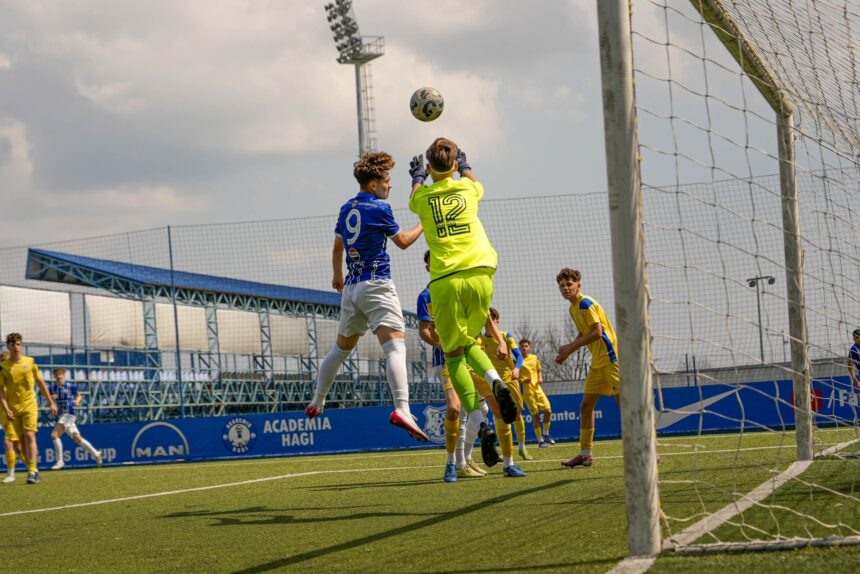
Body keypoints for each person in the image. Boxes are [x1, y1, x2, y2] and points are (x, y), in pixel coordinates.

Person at [409, 137, 523, 478]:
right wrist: (465, 165)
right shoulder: (469, 189)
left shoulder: (423, 196)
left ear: (430, 169)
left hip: (446, 280)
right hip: (482, 273)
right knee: (471, 342)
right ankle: (495, 382)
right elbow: (473, 181)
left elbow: (415, 192)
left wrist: (417, 176)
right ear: (455, 165)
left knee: (455, 354)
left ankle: (480, 418)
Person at [305, 151, 428, 442]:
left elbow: (337, 249)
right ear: (373, 184)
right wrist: (424, 221)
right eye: (387, 181)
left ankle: (317, 401)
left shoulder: (346, 208)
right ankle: (403, 409)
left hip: (351, 288)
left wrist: (337, 276)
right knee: (396, 349)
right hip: (377, 285)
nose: (390, 186)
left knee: (340, 349)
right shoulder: (380, 208)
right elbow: (404, 242)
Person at [554, 269, 619, 468]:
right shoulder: (573, 308)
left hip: (611, 359)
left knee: (626, 406)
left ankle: (649, 449)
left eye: (569, 285)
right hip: (598, 363)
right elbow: (584, 332)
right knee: (586, 406)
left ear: (578, 286)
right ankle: (585, 454)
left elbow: (597, 333)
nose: (565, 289)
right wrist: (567, 352)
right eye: (562, 286)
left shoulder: (585, 303)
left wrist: (571, 347)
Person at [477, 307, 532, 468]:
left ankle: (522, 447)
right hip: (493, 382)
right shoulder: (479, 339)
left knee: (517, 414)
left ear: (497, 321)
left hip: (510, 379)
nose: (489, 321)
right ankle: (507, 453)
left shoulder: (505, 336)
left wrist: (516, 369)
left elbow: (519, 356)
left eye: (492, 318)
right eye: (487, 318)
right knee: (499, 416)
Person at [0, 333, 58, 484]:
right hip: (13, 408)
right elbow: (0, 390)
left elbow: (40, 382)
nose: (16, 347)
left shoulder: (30, 362)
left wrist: (51, 402)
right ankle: (33, 468)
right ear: (8, 346)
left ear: (22, 345)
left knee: (30, 436)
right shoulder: (3, 367)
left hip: (29, 405)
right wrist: (6, 408)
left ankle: (32, 471)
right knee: (20, 443)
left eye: (18, 344)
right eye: (13, 345)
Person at [50, 368, 103, 470]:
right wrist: (52, 404)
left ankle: (60, 461)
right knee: (77, 438)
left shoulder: (70, 386)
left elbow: (79, 396)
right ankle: (96, 454)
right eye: (56, 375)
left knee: (54, 435)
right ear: (54, 376)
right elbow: (50, 400)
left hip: (69, 413)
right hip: (62, 415)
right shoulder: (53, 388)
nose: (58, 376)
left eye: (60, 374)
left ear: (63, 375)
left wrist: (77, 401)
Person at [519, 338, 555, 447]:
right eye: (522, 346)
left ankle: (545, 434)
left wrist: (540, 378)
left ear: (529, 347)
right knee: (536, 415)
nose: (524, 348)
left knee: (548, 410)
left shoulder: (534, 358)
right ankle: (540, 441)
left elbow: (538, 370)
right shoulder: (517, 360)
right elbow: (512, 376)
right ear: (519, 348)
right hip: (528, 392)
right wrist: (523, 380)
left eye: (526, 346)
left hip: (538, 389)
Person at [0, 350, 28, 484]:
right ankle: (31, 467)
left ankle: (10, 474)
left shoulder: (10, 379)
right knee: (17, 446)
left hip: (11, 414)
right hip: (3, 416)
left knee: (8, 442)